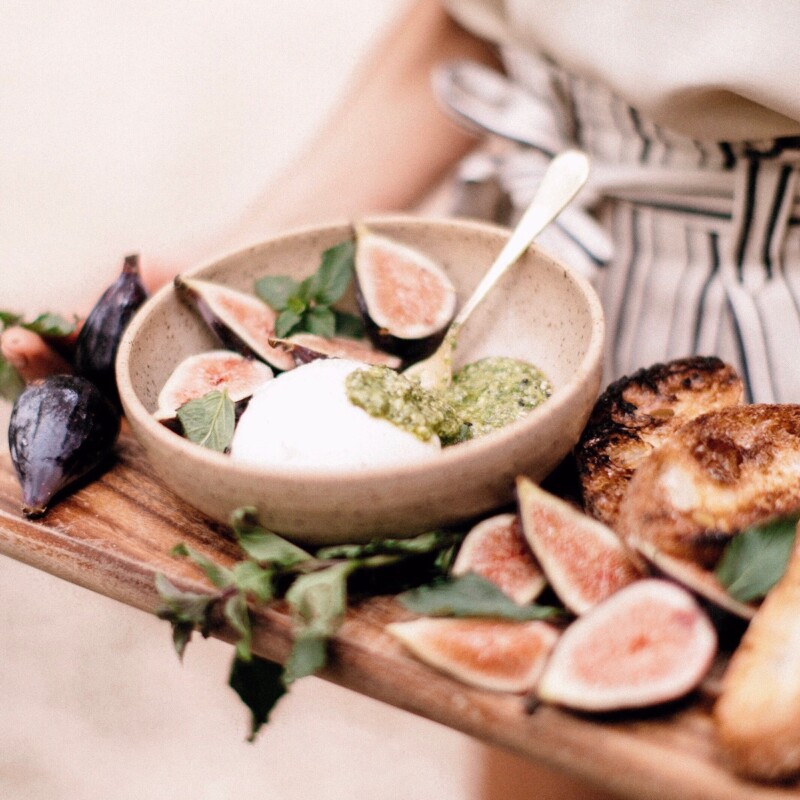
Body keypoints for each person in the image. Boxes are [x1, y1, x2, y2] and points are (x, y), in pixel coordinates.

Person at [5, 1, 800, 796]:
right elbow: (473, 21)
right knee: (536, 736)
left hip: (779, 347)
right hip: (535, 294)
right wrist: (220, 270)